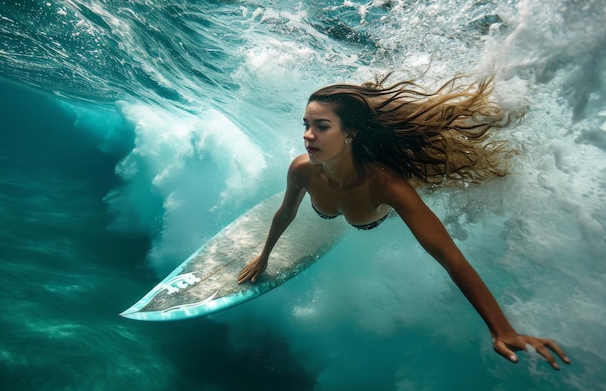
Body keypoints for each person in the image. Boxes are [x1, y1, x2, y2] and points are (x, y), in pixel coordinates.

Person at [237, 74, 571, 370]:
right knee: (319, 205)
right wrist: (264, 255)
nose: (308, 136)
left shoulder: (387, 185)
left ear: (349, 132)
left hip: (376, 211)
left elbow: (447, 254)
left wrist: (501, 329)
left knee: (417, 187)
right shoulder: (302, 169)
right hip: (329, 198)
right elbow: (286, 212)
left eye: (321, 127)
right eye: (306, 125)